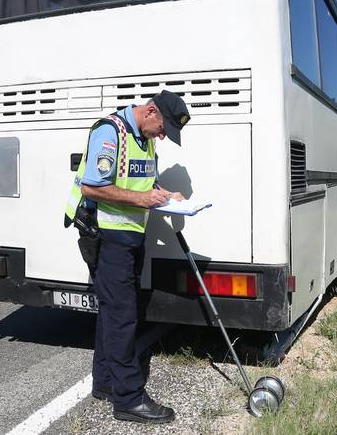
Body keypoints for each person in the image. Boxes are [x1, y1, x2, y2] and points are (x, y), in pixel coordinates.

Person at [64, 90, 191, 424]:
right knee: (123, 317)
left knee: (112, 312)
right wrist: (143, 199)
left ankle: (105, 383)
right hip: (108, 236)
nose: (163, 136)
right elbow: (93, 186)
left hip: (130, 236)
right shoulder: (110, 131)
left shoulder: (145, 139)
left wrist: (165, 195)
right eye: (163, 128)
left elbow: (144, 181)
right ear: (150, 112)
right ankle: (129, 399)